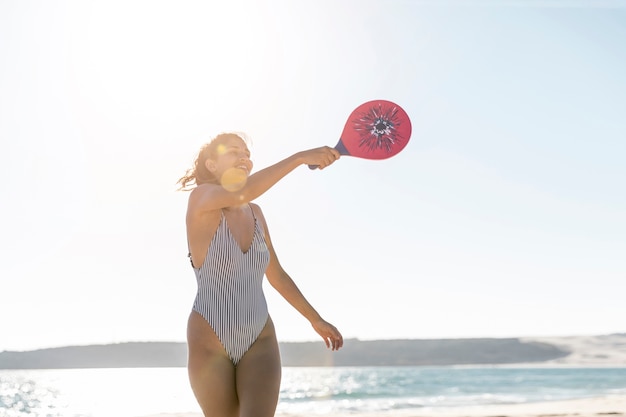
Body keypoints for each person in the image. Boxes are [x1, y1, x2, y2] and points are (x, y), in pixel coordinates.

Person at [177, 132, 344, 417]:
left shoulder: (256, 213)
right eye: (233, 151)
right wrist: (300, 157)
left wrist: (315, 318)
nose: (245, 157)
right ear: (212, 165)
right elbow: (242, 191)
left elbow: (276, 274)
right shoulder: (200, 199)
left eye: (247, 153)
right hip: (209, 336)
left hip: (260, 337)